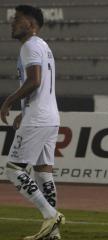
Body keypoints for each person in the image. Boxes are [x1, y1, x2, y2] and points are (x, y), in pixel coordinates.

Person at [0, 5, 65, 240]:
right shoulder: (43, 46)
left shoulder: (29, 45)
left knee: (14, 170)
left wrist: (8, 101)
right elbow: (42, 83)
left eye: (17, 19)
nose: (12, 23)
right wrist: (23, 111)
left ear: (31, 23)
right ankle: (53, 234)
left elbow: (35, 80)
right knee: (44, 173)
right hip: (48, 116)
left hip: (38, 118)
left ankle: (51, 215)